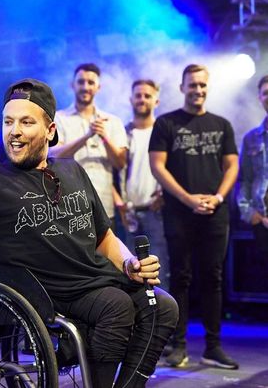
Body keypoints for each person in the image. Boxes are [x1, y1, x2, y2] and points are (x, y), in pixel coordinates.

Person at [0, 77, 178, 388]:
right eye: (8, 121)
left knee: (163, 306)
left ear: (50, 131)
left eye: (26, 122)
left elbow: (104, 237)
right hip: (42, 292)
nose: (14, 131)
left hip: (94, 281)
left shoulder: (72, 171)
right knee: (116, 305)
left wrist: (129, 264)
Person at [149, 64, 239, 369]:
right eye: (192, 85)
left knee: (213, 278)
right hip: (179, 213)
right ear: (182, 87)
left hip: (215, 212)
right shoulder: (165, 123)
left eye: (202, 85)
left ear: (207, 88)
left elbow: (232, 166)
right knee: (181, 278)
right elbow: (157, 167)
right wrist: (188, 200)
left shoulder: (222, 124)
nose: (197, 90)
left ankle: (213, 347)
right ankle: (179, 346)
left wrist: (217, 197)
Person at [50, 63, 128, 225]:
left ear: (98, 87)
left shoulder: (112, 121)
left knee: (108, 250)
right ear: (73, 85)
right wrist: (87, 136)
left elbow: (120, 163)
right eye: (81, 82)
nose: (85, 87)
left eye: (91, 83)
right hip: (70, 205)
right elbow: (53, 156)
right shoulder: (59, 118)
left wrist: (104, 136)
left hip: (104, 205)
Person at [115, 79, 169, 291]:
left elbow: (175, 168)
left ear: (156, 100)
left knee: (160, 272)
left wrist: (165, 194)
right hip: (128, 213)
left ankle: (163, 322)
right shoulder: (122, 132)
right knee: (129, 272)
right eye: (138, 95)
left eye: (147, 95)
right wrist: (120, 202)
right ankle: (137, 323)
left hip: (157, 212)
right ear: (131, 99)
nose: (142, 99)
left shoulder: (165, 130)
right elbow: (112, 170)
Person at [237, 74, 268, 252]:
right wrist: (249, 213)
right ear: (260, 98)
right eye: (266, 93)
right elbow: (244, 179)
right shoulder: (251, 138)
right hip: (262, 220)